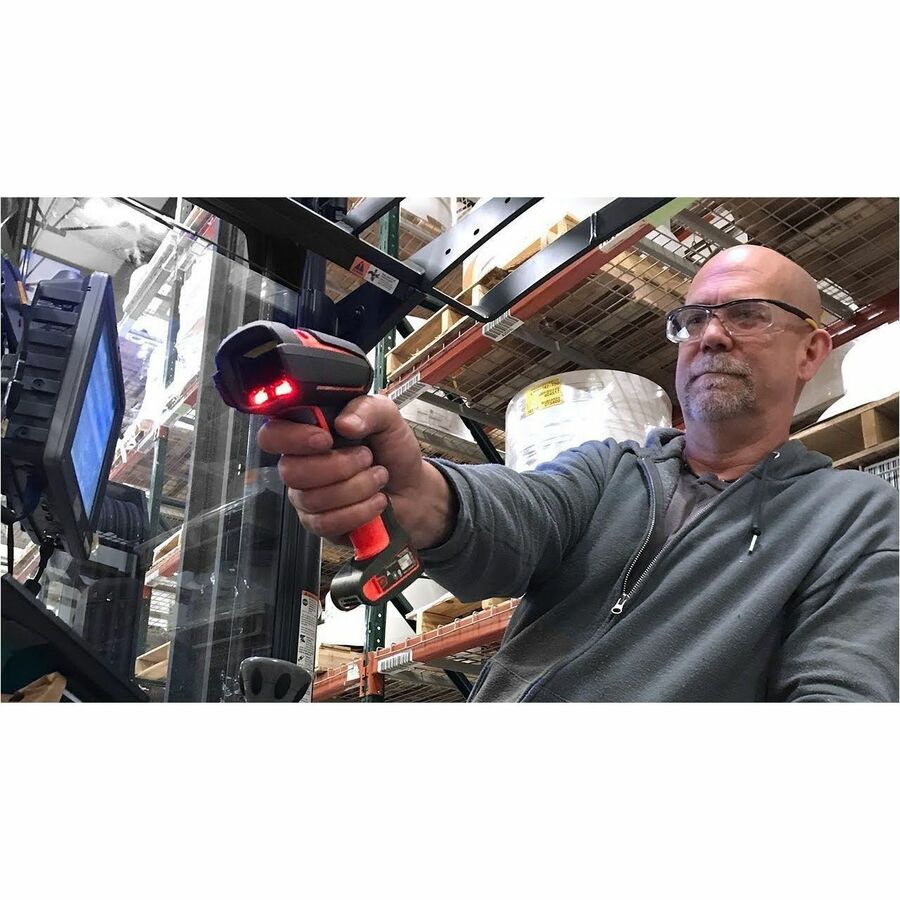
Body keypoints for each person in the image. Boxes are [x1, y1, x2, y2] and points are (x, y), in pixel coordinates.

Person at [258, 245, 899, 701]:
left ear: (811, 350)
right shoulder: (611, 472)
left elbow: (845, 689)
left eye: (746, 314)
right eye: (693, 320)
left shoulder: (855, 517)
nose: (710, 336)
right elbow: (523, 512)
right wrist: (418, 488)